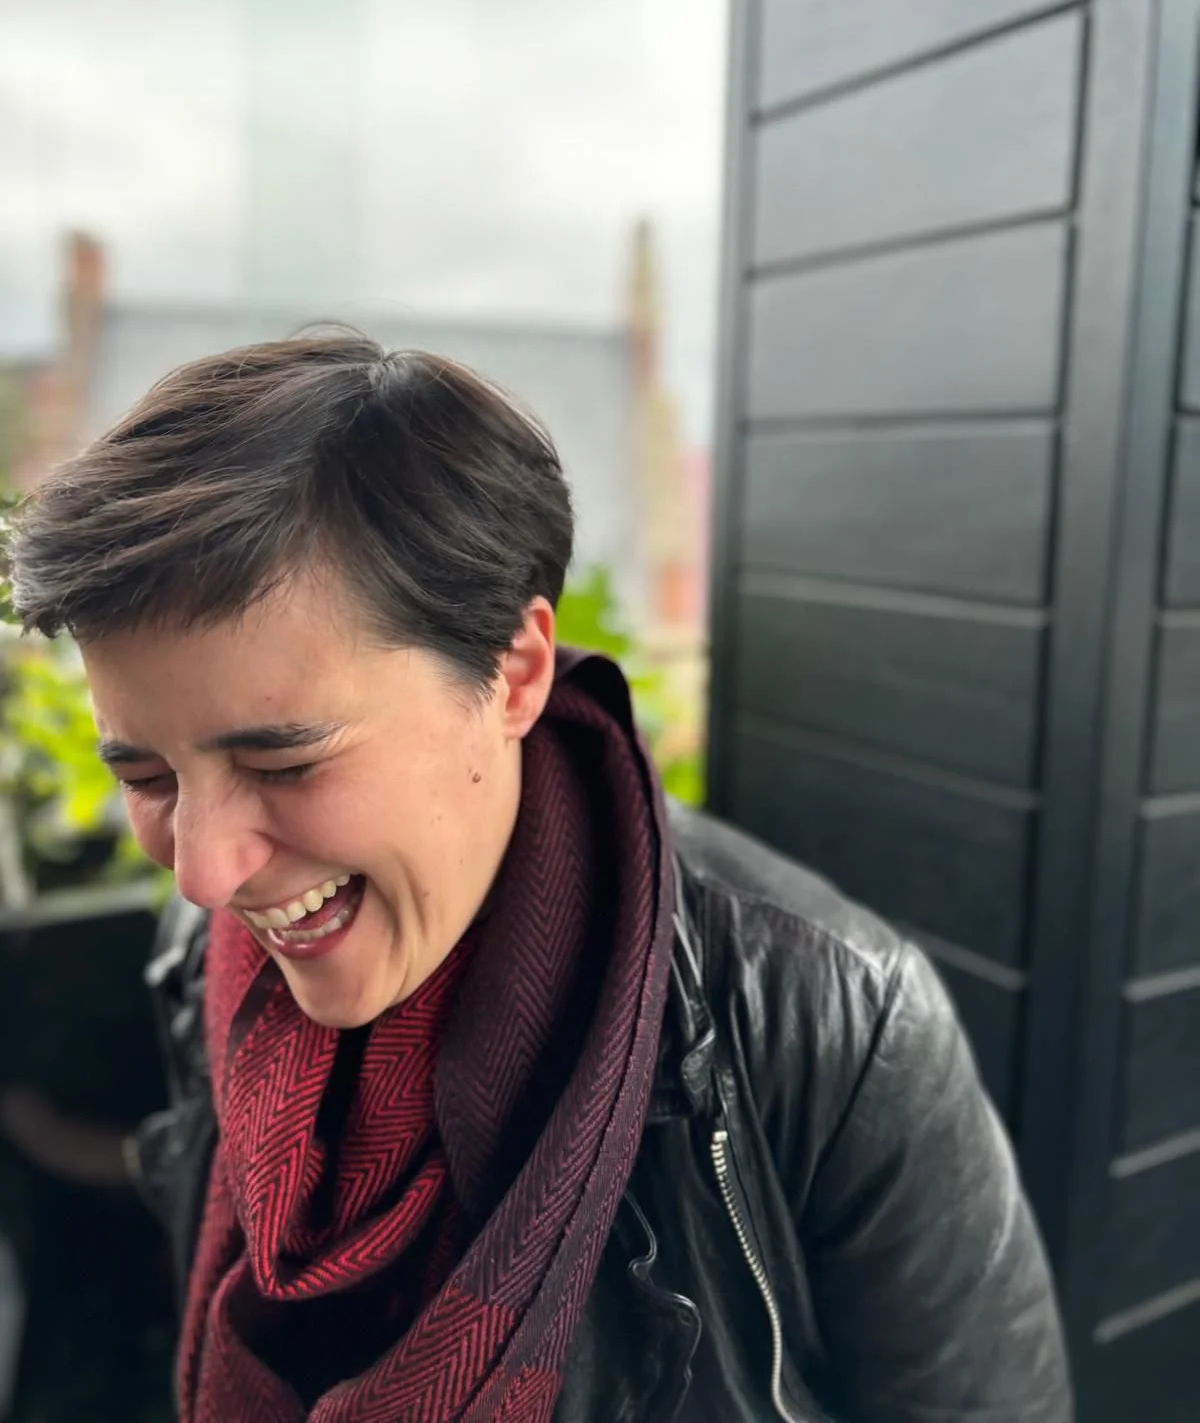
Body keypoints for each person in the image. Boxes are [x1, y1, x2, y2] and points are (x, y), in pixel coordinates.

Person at [4, 333, 1073, 1423]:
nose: (202, 871)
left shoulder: (831, 1026)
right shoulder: (206, 964)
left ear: (513, 672)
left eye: (285, 760)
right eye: (143, 772)